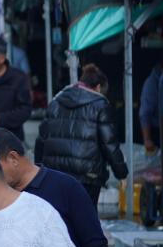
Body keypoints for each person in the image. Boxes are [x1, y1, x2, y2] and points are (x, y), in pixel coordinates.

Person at [35, 64, 128, 205]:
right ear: (98, 87)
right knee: (85, 216)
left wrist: (38, 170)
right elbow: (109, 144)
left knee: (60, 215)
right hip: (87, 176)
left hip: (55, 175)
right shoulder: (100, 106)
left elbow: (41, 140)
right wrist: (122, 174)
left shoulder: (55, 102)